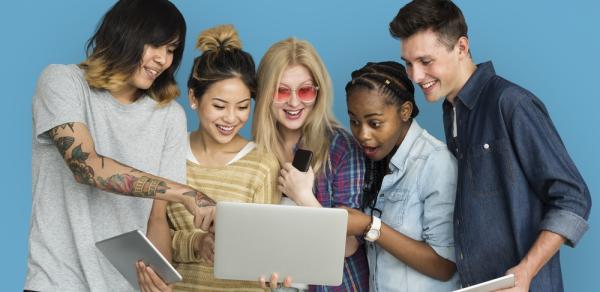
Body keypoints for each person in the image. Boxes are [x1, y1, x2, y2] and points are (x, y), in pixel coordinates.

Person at [389, 0, 592, 291]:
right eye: (408, 64)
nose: (416, 77)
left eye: (425, 61)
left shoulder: (511, 104)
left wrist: (526, 270)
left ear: (461, 48)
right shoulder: (452, 109)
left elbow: (573, 197)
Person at [25, 1, 215, 291]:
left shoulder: (169, 116)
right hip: (56, 282)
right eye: (156, 45)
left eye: (171, 50)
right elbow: (87, 167)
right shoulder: (62, 82)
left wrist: (159, 282)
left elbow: (157, 218)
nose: (163, 60)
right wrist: (188, 194)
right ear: (124, 34)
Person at [141, 24, 283, 292]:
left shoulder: (262, 164)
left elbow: (264, 249)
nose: (231, 118)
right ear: (194, 98)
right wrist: (197, 244)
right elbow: (149, 231)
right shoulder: (168, 152)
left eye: (243, 107)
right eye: (219, 106)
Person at [254, 37, 369, 292]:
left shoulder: (341, 148)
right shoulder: (254, 152)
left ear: (318, 92)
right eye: (281, 91)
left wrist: (304, 197)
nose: (294, 103)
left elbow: (349, 246)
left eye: (305, 90)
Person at [343, 61, 460, 291]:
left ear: (405, 111)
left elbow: (444, 266)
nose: (362, 134)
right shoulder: (371, 160)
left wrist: (369, 226)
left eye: (374, 123)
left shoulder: (436, 163)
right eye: (354, 122)